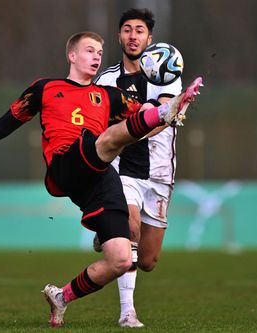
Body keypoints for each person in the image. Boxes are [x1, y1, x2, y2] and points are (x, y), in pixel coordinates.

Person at [0, 31, 201, 327]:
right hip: (65, 164)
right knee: (107, 140)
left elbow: (145, 120)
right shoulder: (45, 88)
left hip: (100, 178)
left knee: (122, 260)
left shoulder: (108, 96)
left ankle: (62, 297)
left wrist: (175, 105)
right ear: (72, 56)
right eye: (90, 50)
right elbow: (4, 124)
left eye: (100, 52)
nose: (97, 56)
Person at [93, 8, 182, 327]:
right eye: (127, 29)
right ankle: (127, 312)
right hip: (121, 168)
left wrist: (147, 118)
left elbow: (162, 118)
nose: (133, 35)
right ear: (119, 36)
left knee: (147, 261)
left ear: (150, 38)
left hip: (158, 172)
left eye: (139, 30)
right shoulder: (105, 80)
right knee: (129, 228)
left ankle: (108, 234)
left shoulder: (167, 73)